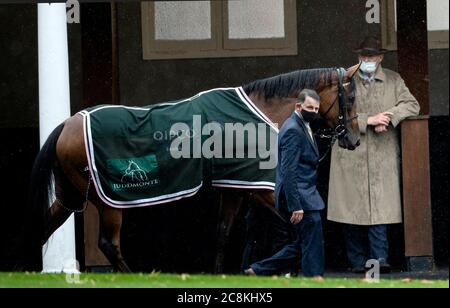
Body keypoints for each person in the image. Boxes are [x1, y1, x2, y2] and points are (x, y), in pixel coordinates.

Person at [327, 36, 420, 273]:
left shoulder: (393, 79)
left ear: (380, 57)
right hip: (351, 153)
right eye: (363, 57)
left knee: (379, 210)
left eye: (371, 56)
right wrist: (368, 120)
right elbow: (334, 115)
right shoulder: (345, 81)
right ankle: (357, 262)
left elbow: (412, 105)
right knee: (352, 211)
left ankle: (379, 261)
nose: (366, 60)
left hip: (381, 154)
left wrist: (387, 117)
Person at [244, 89, 325, 278]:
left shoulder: (300, 125)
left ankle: (257, 270)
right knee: (311, 240)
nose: (313, 111)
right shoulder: (293, 130)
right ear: (298, 106)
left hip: (303, 195)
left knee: (301, 243)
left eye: (316, 108)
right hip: (300, 197)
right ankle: (315, 277)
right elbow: (289, 171)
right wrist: (296, 205)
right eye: (309, 107)